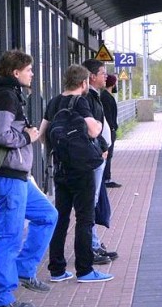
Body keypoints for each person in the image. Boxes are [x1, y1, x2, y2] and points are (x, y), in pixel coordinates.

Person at [0, 49, 58, 307]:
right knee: (7, 237)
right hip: (6, 178)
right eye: (29, 69)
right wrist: (28, 137)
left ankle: (24, 271)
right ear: (16, 72)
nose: (32, 74)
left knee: (48, 215)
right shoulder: (5, 96)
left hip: (17, 177)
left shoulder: (10, 94)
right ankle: (0, 299)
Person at [39, 64, 113, 283]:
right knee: (84, 219)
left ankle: (57, 270)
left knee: (60, 218)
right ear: (84, 83)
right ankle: (85, 270)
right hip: (82, 170)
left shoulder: (54, 102)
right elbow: (93, 130)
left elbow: (43, 135)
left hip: (60, 168)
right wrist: (97, 126)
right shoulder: (80, 101)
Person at [82, 58, 119, 262]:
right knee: (89, 203)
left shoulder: (96, 96)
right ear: (92, 76)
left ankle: (94, 243)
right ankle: (91, 246)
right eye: (103, 73)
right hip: (93, 158)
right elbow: (92, 129)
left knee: (93, 202)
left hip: (98, 157)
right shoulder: (87, 98)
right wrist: (102, 147)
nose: (106, 76)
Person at [101, 73, 121, 189]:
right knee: (108, 154)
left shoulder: (106, 96)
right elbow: (108, 115)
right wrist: (112, 127)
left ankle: (107, 177)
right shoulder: (106, 97)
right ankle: (106, 178)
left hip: (110, 129)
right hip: (109, 130)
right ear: (113, 84)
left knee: (109, 154)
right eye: (116, 83)